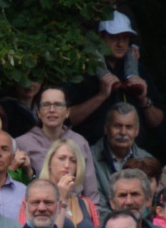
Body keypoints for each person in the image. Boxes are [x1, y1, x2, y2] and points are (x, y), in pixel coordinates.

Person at [68, 15, 162, 147]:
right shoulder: (83, 69)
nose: (121, 44)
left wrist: (143, 99)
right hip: (91, 153)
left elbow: (158, 123)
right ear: (100, 37)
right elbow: (67, 119)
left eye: (125, 38)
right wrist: (101, 96)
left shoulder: (139, 71)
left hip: (133, 156)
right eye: (114, 38)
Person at [17, 86, 98, 198]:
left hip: (75, 209)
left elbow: (91, 191)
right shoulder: (23, 143)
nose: (52, 110)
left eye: (58, 105)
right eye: (46, 105)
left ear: (67, 112)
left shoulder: (79, 142)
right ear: (38, 112)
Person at [89, 103, 154, 204]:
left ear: (137, 131)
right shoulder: (89, 158)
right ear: (106, 129)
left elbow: (153, 201)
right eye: (117, 126)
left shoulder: (146, 159)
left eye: (129, 127)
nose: (123, 132)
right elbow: (94, 204)